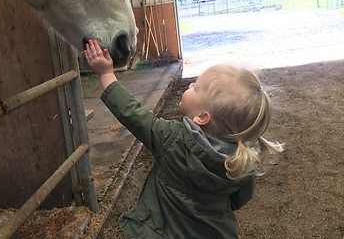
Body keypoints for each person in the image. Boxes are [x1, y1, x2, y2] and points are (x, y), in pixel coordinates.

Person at [84, 39, 284, 238]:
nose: (191, 84)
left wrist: (106, 74)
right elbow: (238, 200)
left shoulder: (171, 138)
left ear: (202, 117)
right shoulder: (243, 163)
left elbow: (132, 114)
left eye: (196, 88)